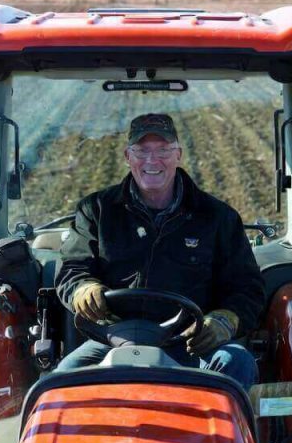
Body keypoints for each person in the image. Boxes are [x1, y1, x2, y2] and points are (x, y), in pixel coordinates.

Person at [54, 113, 265, 390]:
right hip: (112, 338)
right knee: (60, 382)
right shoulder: (97, 211)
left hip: (187, 343)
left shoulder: (217, 217)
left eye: (163, 150)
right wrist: (82, 288)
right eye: (142, 151)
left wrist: (225, 320)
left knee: (236, 361)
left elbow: (247, 287)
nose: (152, 160)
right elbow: (72, 268)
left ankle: (216, 433)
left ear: (178, 155)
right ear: (128, 156)